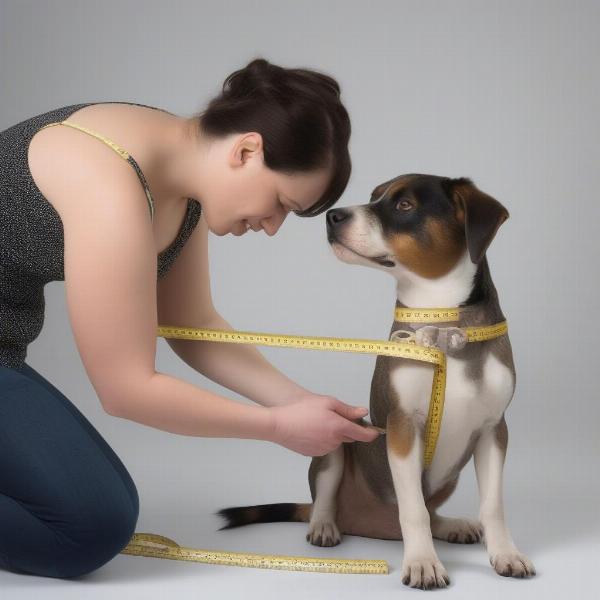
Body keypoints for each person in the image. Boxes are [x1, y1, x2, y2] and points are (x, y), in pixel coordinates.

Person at [0, 57, 379, 579]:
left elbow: (193, 324)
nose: (271, 227)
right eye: (281, 203)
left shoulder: (179, 169)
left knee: (94, 514)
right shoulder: (107, 181)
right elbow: (126, 390)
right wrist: (275, 427)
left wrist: (296, 400)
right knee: (88, 528)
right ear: (247, 150)